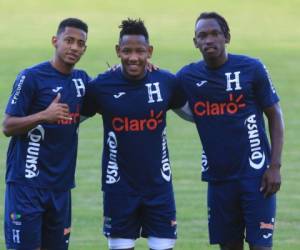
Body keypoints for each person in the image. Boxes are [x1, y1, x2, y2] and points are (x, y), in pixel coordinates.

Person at [176, 12, 284, 250]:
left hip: (256, 176)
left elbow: (275, 115)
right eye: (202, 36)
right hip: (219, 179)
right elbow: (160, 89)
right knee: (229, 246)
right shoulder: (188, 76)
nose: (209, 40)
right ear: (195, 42)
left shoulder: (251, 68)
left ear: (227, 37)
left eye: (215, 33)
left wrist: (274, 166)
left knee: (261, 246)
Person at [81, 18, 186, 250]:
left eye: (140, 51)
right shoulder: (100, 86)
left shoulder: (166, 81)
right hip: (118, 188)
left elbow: (195, 115)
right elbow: (71, 121)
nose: (134, 57)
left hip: (159, 188)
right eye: (127, 51)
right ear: (118, 51)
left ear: (150, 51)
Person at [2, 18, 89, 250]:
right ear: (55, 41)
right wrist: (43, 116)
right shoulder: (30, 77)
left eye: (80, 43)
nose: (74, 47)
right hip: (26, 186)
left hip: (61, 189)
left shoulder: (82, 81)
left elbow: (107, 94)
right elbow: (8, 126)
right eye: (69, 40)